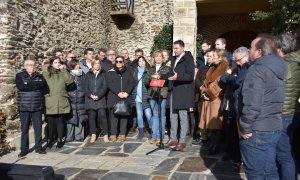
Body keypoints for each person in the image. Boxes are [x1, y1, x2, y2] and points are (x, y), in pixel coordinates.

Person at [238, 34, 287, 180]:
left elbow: (253, 102)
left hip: (257, 129)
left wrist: (245, 126)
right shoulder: (278, 67)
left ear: (259, 52)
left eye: (251, 48)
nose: (249, 50)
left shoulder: (257, 69)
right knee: (269, 171)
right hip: (273, 127)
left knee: (256, 174)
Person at [220, 47, 250, 170]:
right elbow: (223, 78)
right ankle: (235, 158)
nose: (236, 63)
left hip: (241, 107)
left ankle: (242, 161)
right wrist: (229, 72)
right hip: (231, 106)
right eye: (235, 61)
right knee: (231, 134)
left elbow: (237, 82)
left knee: (242, 137)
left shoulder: (247, 68)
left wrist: (230, 78)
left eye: (238, 60)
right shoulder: (237, 68)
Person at [275, 32, 300, 180]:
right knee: (289, 152)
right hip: (293, 112)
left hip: (284, 113)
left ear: (280, 48)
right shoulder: (294, 62)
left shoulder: (286, 65)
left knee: (284, 155)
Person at [166, 40, 195, 151]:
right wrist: (160, 76)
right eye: (174, 48)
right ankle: (173, 138)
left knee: (183, 116)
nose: (174, 50)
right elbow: (169, 73)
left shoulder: (188, 58)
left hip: (183, 92)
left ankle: (182, 140)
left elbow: (190, 75)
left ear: (182, 48)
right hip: (174, 90)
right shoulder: (173, 59)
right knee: (173, 115)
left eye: (176, 48)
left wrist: (178, 77)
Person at [16, 55, 47, 157]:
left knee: (38, 128)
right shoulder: (19, 75)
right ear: (25, 66)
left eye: (33, 65)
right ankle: (24, 149)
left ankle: (38, 147)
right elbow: (21, 87)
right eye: (29, 65)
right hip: (24, 106)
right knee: (24, 129)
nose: (32, 67)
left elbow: (42, 86)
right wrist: (34, 85)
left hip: (37, 106)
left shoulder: (40, 76)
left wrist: (28, 84)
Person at [199, 49, 228, 155]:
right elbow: (205, 82)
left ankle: (215, 147)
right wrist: (203, 90)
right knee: (210, 124)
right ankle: (211, 145)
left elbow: (219, 84)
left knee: (215, 124)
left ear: (220, 57)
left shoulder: (224, 67)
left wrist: (208, 93)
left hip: (216, 99)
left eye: (215, 55)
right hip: (208, 98)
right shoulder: (212, 67)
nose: (212, 57)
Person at [43, 56, 74, 148]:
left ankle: (60, 139)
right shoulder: (46, 73)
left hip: (61, 99)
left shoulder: (63, 73)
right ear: (52, 64)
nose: (58, 64)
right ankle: (49, 139)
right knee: (51, 121)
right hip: (50, 100)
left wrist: (64, 70)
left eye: (59, 62)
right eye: (55, 62)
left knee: (60, 120)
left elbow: (70, 81)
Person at [107, 56, 134, 142]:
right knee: (114, 116)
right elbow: (109, 84)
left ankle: (122, 134)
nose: (118, 63)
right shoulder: (111, 72)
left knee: (124, 116)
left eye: (120, 61)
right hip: (114, 96)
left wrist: (127, 93)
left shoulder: (129, 72)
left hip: (125, 96)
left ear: (123, 62)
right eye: (117, 61)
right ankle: (113, 134)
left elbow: (131, 83)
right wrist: (118, 92)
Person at [146, 51, 170, 144]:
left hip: (162, 94)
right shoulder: (151, 69)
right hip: (152, 94)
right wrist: (151, 78)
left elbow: (168, 80)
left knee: (162, 116)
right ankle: (154, 136)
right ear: (154, 59)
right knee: (155, 115)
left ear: (163, 58)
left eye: (160, 56)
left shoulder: (167, 68)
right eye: (156, 57)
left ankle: (160, 136)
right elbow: (145, 81)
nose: (158, 58)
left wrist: (160, 77)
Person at [85, 59, 109, 143]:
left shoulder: (104, 74)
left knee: (102, 116)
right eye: (95, 63)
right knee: (91, 117)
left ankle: (105, 134)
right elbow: (85, 87)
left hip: (100, 99)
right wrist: (90, 95)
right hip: (90, 99)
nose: (97, 65)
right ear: (92, 65)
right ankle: (93, 134)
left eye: (98, 63)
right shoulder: (88, 75)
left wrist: (98, 96)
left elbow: (105, 86)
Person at [193, 49, 214, 145]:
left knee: (210, 118)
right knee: (202, 117)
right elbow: (197, 79)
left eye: (210, 56)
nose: (208, 58)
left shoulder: (216, 69)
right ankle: (204, 137)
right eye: (207, 56)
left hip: (211, 98)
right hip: (201, 96)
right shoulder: (202, 68)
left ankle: (211, 138)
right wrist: (201, 87)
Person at [65, 59, 87, 142]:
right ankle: (69, 136)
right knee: (70, 118)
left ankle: (79, 136)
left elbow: (85, 85)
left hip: (81, 98)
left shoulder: (83, 74)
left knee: (80, 117)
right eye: (77, 64)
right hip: (71, 98)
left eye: (79, 64)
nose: (79, 66)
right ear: (73, 65)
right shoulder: (68, 75)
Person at [132, 56, 152, 140]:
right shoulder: (135, 72)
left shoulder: (149, 71)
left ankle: (152, 131)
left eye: (143, 61)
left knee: (148, 114)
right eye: (140, 61)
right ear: (138, 63)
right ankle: (140, 132)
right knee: (139, 115)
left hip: (145, 96)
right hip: (137, 97)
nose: (142, 62)